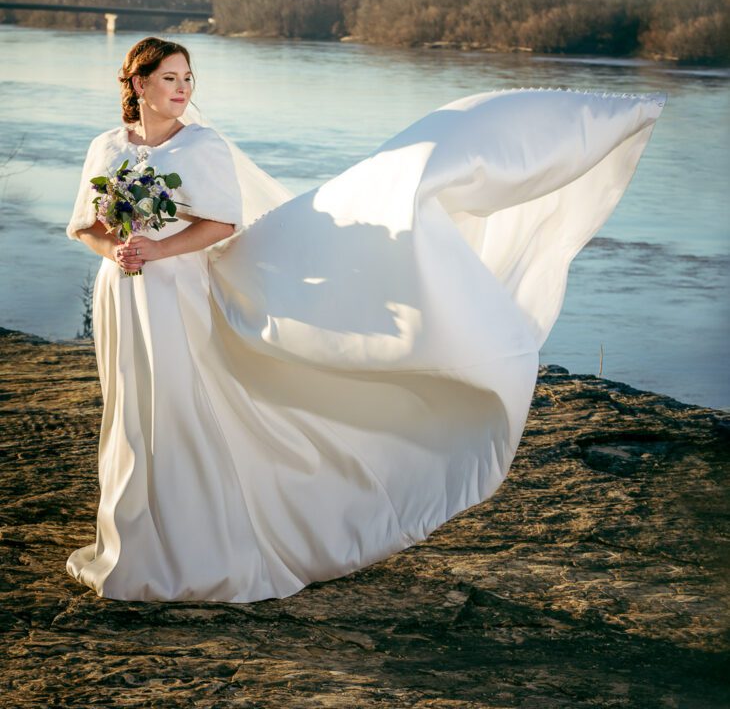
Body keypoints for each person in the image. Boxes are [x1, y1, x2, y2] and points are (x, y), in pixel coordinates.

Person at [66, 35, 668, 603]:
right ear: (138, 84)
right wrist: (116, 250)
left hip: (176, 290)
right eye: (169, 78)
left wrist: (158, 250)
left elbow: (221, 224)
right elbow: (84, 225)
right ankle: (135, 543)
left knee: (179, 408)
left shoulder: (203, 147)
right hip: (123, 290)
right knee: (130, 412)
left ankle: (200, 549)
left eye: (189, 77)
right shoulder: (106, 148)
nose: (183, 88)